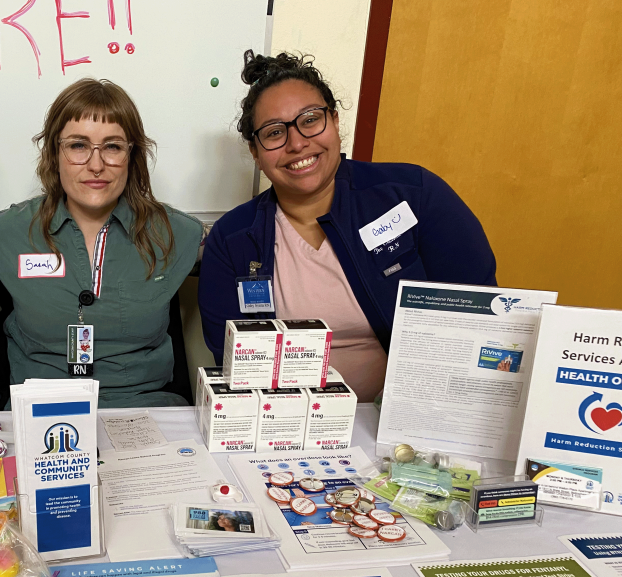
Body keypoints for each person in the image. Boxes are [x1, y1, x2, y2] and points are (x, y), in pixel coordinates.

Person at [199, 51, 497, 402]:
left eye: (310, 120)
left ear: (335, 121)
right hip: (291, 427)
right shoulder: (232, 239)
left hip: (420, 413)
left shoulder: (413, 195)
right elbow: (235, 365)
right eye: (275, 132)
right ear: (255, 151)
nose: (297, 144)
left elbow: (479, 318)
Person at [0, 79, 203, 408]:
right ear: (55, 152)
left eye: (112, 146)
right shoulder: (1, 234)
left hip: (146, 416)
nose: (96, 165)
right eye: (78, 146)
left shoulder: (178, 234)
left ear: (132, 154)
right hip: (40, 414)